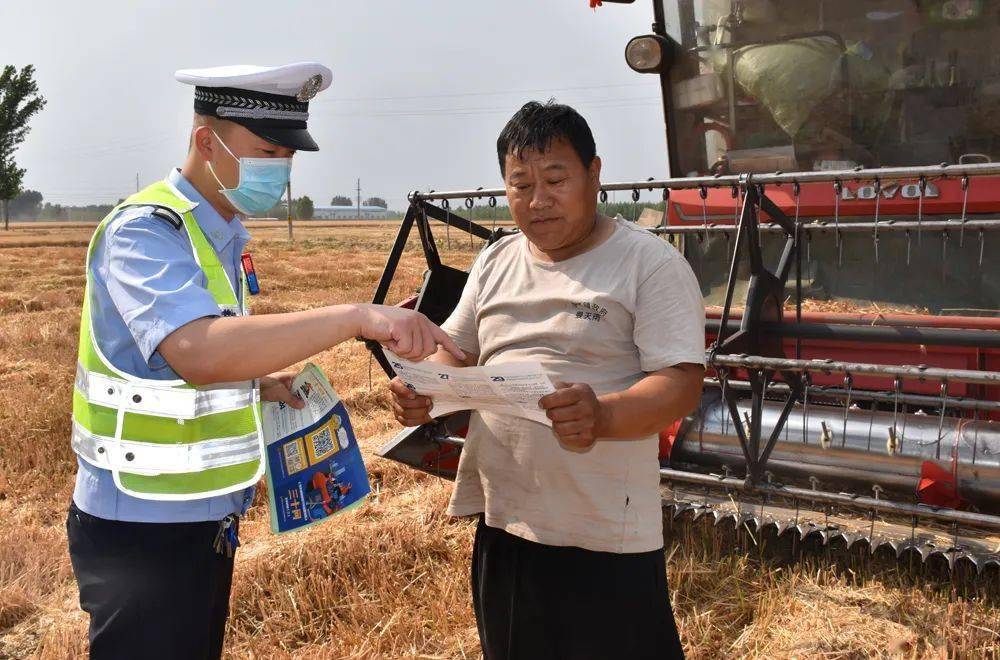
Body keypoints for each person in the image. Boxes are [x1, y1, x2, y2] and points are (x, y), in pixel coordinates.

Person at [66, 62, 463, 660]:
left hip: (204, 521)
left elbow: (201, 360)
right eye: (265, 151)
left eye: (287, 155)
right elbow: (197, 351)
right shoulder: (146, 232)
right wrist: (355, 316)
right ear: (206, 141)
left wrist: (260, 382)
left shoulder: (223, 234)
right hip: (143, 527)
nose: (278, 169)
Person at [389, 100, 705, 659]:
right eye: (520, 184)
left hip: (604, 532)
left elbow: (680, 384)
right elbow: (457, 355)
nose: (537, 200)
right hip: (506, 520)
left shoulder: (646, 264)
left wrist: (603, 415)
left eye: (556, 179)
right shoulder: (497, 260)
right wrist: (424, 390)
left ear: (594, 174)